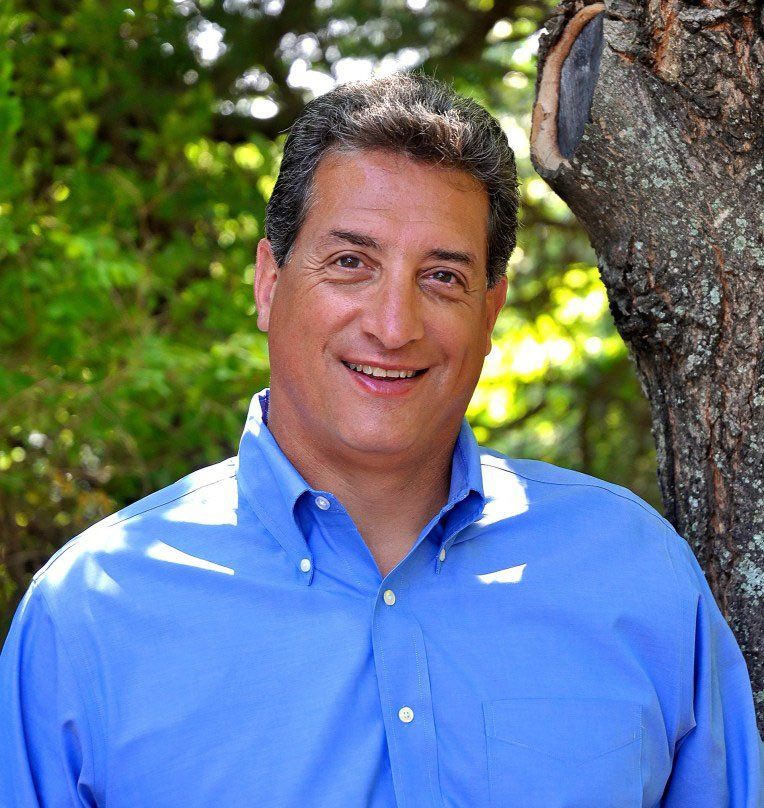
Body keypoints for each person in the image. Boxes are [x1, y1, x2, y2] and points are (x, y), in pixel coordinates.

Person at [1, 73, 762, 808]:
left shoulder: (635, 576)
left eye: (441, 277)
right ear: (269, 282)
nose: (393, 326)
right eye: (350, 263)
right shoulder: (91, 616)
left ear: (489, 311)